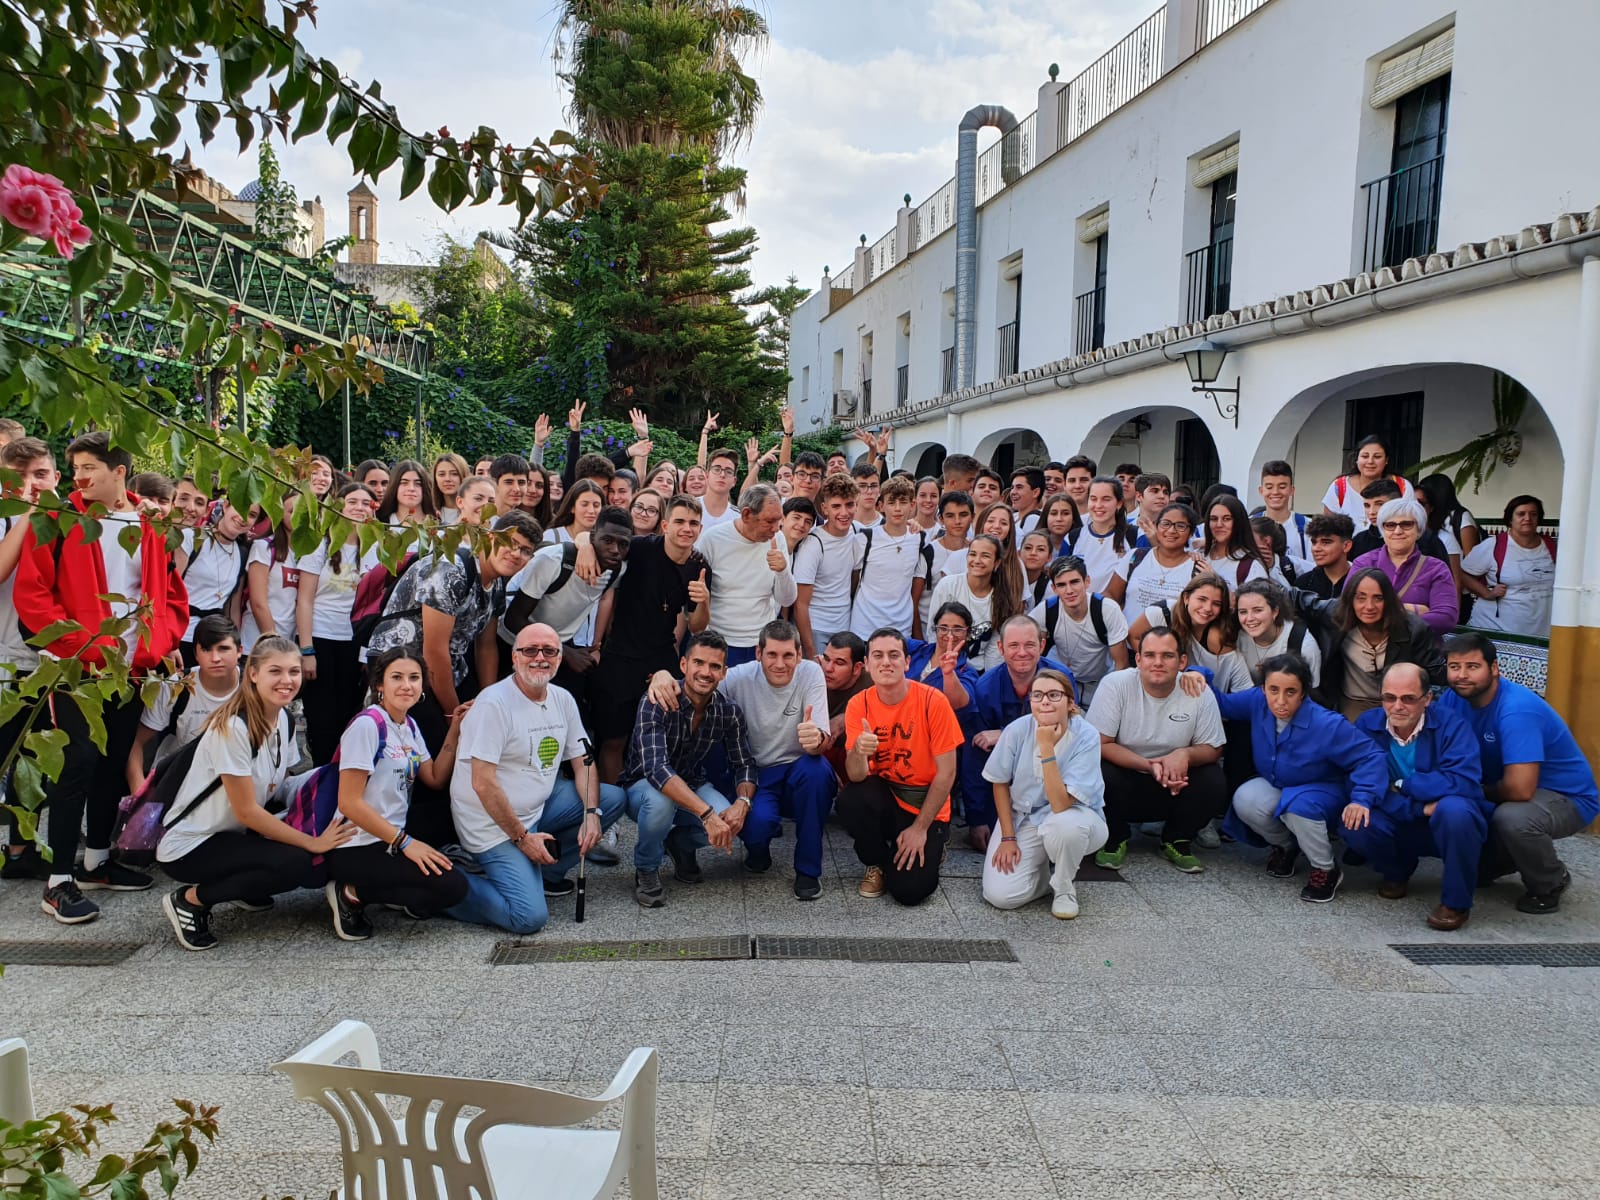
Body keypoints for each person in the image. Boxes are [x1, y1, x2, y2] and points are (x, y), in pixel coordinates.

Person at [16, 430, 190, 923]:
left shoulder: (149, 523)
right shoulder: (59, 517)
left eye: (88, 467)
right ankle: (59, 881)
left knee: (113, 760)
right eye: (75, 468)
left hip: (132, 668)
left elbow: (170, 594)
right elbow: (33, 594)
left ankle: (97, 860)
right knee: (77, 763)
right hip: (77, 667)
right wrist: (79, 648)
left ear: (119, 472)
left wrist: (155, 646)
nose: (78, 477)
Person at [158, 638, 355, 951]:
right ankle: (191, 900)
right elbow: (247, 811)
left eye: (293, 671)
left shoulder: (284, 719)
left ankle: (243, 884)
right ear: (252, 674)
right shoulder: (233, 728)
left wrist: (337, 776)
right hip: (191, 844)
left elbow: (280, 786)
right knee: (297, 863)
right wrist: (312, 842)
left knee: (296, 854)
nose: (286, 680)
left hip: (233, 834)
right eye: (275, 671)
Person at [446, 623, 626, 934]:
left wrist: (591, 814)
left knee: (611, 799)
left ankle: (547, 876)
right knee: (528, 917)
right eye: (530, 650)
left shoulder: (562, 698)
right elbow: (482, 783)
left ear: (559, 658)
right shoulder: (493, 704)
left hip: (538, 806)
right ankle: (440, 884)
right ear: (514, 657)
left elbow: (583, 761)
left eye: (549, 651)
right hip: (492, 824)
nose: (540, 658)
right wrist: (522, 839)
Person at [646, 620, 834, 899]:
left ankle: (808, 871)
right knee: (754, 827)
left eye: (788, 655)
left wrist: (816, 740)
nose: (780, 664)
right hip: (756, 771)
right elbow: (697, 684)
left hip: (798, 766)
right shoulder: (739, 677)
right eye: (772, 654)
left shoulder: (811, 673)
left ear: (799, 655)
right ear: (758, 654)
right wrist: (662, 675)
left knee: (818, 771)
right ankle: (756, 850)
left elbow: (821, 739)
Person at [1438, 633, 1598, 915]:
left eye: (1472, 666)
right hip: (1503, 788)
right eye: (1454, 667)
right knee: (1478, 868)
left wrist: (1472, 791)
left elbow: (1520, 789)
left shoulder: (1516, 710)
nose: (1462, 675)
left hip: (1566, 797)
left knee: (1513, 819)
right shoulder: (1452, 698)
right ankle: (1509, 857)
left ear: (1494, 668)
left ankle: (1550, 881)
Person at [1211, 655, 1386, 903]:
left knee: (1298, 807)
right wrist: (1198, 675)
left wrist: (1362, 798)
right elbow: (1222, 704)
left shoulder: (1327, 723)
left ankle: (1326, 868)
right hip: (1282, 783)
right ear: (1263, 689)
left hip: (1325, 791)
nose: (1280, 700)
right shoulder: (1257, 701)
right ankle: (1287, 846)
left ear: (1303, 692)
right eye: (1273, 690)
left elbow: (1370, 755)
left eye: (1291, 692)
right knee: (1245, 798)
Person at [324, 648, 471, 938]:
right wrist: (406, 843)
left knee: (451, 817)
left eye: (414, 678)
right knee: (452, 887)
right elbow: (349, 803)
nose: (407, 685)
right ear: (380, 684)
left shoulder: (408, 725)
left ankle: (397, 887)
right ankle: (350, 892)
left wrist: (455, 729)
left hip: (391, 835)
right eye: (397, 677)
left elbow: (434, 778)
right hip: (356, 843)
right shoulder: (367, 725)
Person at [1346, 662, 1488, 930]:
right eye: (1389, 697)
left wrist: (1402, 784)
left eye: (1408, 699)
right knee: (1355, 818)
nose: (1397, 706)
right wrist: (1417, 808)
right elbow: (1359, 781)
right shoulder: (1367, 724)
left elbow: (1464, 781)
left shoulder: (1452, 725)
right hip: (1406, 813)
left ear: (1427, 698)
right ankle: (1396, 873)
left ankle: (1455, 903)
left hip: (1444, 820)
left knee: (1456, 810)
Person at [620, 631, 757, 908]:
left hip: (693, 783)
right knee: (661, 803)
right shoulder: (656, 700)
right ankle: (646, 867)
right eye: (699, 663)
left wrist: (743, 802)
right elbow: (657, 770)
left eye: (714, 666)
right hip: (642, 788)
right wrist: (706, 815)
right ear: (683, 665)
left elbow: (744, 764)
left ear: (724, 673)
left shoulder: (728, 711)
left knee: (730, 820)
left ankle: (679, 845)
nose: (706, 672)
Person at [590, 495, 711, 786]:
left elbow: (697, 625)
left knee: (661, 739)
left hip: (661, 656)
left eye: (693, 523)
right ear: (665, 525)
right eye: (679, 521)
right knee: (614, 739)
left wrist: (704, 601)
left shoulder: (699, 566)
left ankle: (655, 800)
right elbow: (599, 544)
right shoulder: (640, 548)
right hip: (621, 654)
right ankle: (613, 805)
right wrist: (583, 544)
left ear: (700, 528)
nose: (686, 528)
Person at [1088, 627, 1228, 874]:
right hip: (1126, 778)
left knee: (1213, 779)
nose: (1158, 663)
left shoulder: (1198, 690)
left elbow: (1214, 748)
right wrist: (1149, 766)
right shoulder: (1115, 685)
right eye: (1150, 655)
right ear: (1138, 659)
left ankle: (1176, 838)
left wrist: (1184, 755)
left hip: (1176, 782)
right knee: (1097, 770)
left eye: (1167, 656)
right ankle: (1114, 837)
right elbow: (1101, 742)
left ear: (1182, 662)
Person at [839, 628, 964, 905]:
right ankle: (876, 863)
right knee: (850, 799)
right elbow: (856, 775)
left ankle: (933, 843)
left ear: (907, 662)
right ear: (867, 664)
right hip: (886, 796)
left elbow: (947, 773)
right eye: (878, 656)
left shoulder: (933, 701)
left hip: (924, 803)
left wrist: (920, 829)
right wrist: (859, 751)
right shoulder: (859, 704)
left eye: (894, 655)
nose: (886, 662)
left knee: (910, 892)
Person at [981, 668, 1107, 918]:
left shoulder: (1086, 735)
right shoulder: (1017, 729)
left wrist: (1046, 747)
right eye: (1037, 695)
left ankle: (1064, 887)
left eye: (1054, 695)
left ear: (1070, 703)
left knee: (1064, 827)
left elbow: (1060, 804)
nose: (1045, 701)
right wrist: (1008, 837)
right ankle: (1042, 878)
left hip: (1075, 817)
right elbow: (1000, 782)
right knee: (1001, 896)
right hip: (1025, 816)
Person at [960, 616, 1073, 852]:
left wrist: (1005, 734)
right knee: (994, 841)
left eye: (1029, 644)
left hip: (1050, 773)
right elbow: (975, 759)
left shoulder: (1061, 679)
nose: (1022, 652)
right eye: (1013, 645)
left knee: (1062, 837)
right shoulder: (985, 688)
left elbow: (1066, 734)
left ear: (1042, 645)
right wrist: (976, 819)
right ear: (1000, 648)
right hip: (1007, 781)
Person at [0, 436, 59, 880]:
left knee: (33, 761)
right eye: (20, 476)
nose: (31, 484)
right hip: (4, 658)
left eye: (40, 474)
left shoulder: (66, 522)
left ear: (56, 476)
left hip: (45, 661)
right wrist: (27, 515)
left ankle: (20, 849)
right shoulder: (8, 519)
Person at [295, 481, 383, 765]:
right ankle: (320, 775)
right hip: (321, 637)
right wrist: (307, 650)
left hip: (355, 642)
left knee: (349, 714)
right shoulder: (319, 544)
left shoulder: (377, 548)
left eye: (366, 503)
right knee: (322, 718)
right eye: (352, 502)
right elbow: (304, 600)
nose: (359, 508)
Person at [128, 614, 242, 791]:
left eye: (223, 649)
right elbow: (136, 744)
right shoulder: (176, 685)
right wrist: (140, 796)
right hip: (175, 784)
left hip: (234, 786)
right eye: (206, 649)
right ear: (195, 654)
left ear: (240, 651)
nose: (215, 658)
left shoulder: (254, 688)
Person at [1318, 566, 1445, 720]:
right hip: (1354, 702)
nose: (1369, 606)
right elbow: (1299, 598)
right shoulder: (1336, 616)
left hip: (1400, 703)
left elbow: (1436, 671)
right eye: (1361, 598)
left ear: (1388, 600)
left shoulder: (1413, 629)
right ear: (1350, 600)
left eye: (1378, 598)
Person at [696, 484, 796, 666]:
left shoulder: (777, 539)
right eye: (769, 521)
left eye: (779, 520)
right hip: (720, 642)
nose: (776, 528)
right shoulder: (713, 539)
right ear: (746, 515)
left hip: (762, 642)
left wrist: (783, 571)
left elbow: (787, 600)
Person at [1127, 573, 1251, 694]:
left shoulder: (1216, 636)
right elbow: (1134, 636)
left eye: (1216, 604)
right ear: (1186, 597)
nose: (1208, 608)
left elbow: (1243, 685)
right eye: (1202, 599)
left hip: (1204, 696)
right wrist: (1160, 665)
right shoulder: (1163, 613)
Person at [1030, 555, 1129, 704]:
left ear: (1087, 581)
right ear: (1054, 589)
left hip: (1100, 682)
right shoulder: (1047, 609)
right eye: (1061, 585)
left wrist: (1113, 697)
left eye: (1074, 582)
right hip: (1061, 680)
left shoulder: (1107, 609)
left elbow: (1121, 665)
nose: (1069, 590)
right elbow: (1031, 651)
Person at [1351, 497, 1458, 633]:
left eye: (1406, 524)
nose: (1397, 531)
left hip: (1418, 646)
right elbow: (1348, 609)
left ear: (1419, 529)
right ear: (1382, 530)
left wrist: (1379, 616)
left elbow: (1446, 619)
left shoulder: (1436, 568)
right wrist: (1414, 610)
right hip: (1370, 645)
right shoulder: (1363, 563)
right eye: (1390, 525)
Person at [848, 475, 930, 640]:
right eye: (891, 503)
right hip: (864, 627)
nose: (897, 508)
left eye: (903, 502)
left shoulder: (920, 539)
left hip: (901, 628)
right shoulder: (865, 538)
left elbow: (916, 585)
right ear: (881, 506)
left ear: (912, 505)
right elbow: (853, 579)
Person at [1460, 494, 1555, 636]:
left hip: (1541, 631)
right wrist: (1486, 593)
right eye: (1521, 514)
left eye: (1533, 514)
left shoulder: (1550, 546)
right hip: (1497, 630)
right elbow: (1462, 573)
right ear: (1510, 519)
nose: (1527, 518)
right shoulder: (1494, 545)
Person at [177, 500, 254, 666]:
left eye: (252, 515)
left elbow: (232, 608)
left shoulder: (242, 553)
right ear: (226, 506)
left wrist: (234, 646)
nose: (243, 517)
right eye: (240, 508)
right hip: (180, 634)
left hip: (213, 642)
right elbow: (169, 590)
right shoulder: (192, 537)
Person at [792, 473, 857, 659]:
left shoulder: (857, 532)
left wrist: (913, 524)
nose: (844, 513)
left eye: (849, 505)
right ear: (824, 509)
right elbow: (800, 604)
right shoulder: (813, 544)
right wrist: (810, 650)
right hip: (816, 629)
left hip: (845, 628)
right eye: (836, 506)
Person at [928, 533, 1016, 671]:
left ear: (997, 563)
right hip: (944, 664)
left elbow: (995, 647)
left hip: (977, 669)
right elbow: (933, 632)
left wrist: (988, 677)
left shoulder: (1002, 596)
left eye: (985, 556)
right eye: (973, 554)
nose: (977, 560)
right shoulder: (947, 586)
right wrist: (939, 668)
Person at [1106, 502, 1200, 625]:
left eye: (1180, 526)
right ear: (1156, 526)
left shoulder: (1197, 567)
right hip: (1127, 636)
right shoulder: (1135, 557)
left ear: (1191, 532)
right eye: (1165, 524)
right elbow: (1111, 594)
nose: (1171, 530)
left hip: (1172, 637)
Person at [240, 492, 300, 650]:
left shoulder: (310, 554)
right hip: (257, 643)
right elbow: (258, 602)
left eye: (303, 512)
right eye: (292, 511)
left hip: (290, 643)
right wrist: (274, 641)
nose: (298, 516)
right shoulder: (264, 547)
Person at [1233, 579, 1321, 686]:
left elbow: (1310, 692)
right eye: (1243, 612)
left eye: (1258, 610)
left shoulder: (1303, 645)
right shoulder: (1236, 637)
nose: (1249, 618)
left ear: (1275, 611)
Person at [1322, 435, 1413, 530]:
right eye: (1365, 456)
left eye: (1377, 457)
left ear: (1386, 460)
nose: (1370, 461)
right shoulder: (1339, 487)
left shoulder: (1402, 486)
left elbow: (1410, 524)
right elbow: (1328, 529)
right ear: (1357, 459)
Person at [1076, 477, 1136, 591]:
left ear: (1119, 503)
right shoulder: (1073, 537)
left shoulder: (1134, 536)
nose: (1098, 505)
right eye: (1093, 499)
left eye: (1106, 499)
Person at [1201, 494, 1267, 587]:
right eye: (1214, 519)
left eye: (1227, 519)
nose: (1219, 524)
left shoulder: (1251, 566)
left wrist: (1214, 581)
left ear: (1239, 521)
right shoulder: (1199, 556)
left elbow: (1257, 596)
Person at [1253, 460, 1311, 560]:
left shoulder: (1307, 526)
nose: (1275, 492)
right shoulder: (1248, 526)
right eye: (1269, 487)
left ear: (1292, 490)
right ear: (1261, 490)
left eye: (1282, 487)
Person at [1299, 514, 1355, 600]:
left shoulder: (1362, 582)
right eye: (1314, 543)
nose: (1316, 549)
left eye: (1326, 542)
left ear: (1346, 546)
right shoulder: (1303, 584)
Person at [376, 459, 438, 528]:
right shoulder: (380, 525)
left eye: (418, 484)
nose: (411, 488)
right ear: (394, 486)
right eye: (404, 483)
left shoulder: (439, 527)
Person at [699, 446, 741, 529]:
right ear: (707, 476)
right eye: (717, 469)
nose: (722, 475)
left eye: (728, 472)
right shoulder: (689, 507)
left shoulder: (738, 517)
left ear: (734, 481)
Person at [431, 452, 470, 523]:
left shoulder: (475, 512)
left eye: (454, 474)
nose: (447, 479)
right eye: (442, 474)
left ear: (464, 476)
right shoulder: (429, 513)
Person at [1039, 493, 1081, 559]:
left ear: (1073, 518)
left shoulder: (1084, 544)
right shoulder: (1033, 544)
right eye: (1053, 513)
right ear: (1046, 517)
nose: (1059, 519)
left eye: (1065, 513)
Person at [488, 454, 529, 518]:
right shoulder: (479, 519)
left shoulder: (524, 521)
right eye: (509, 482)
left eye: (521, 483)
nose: (517, 489)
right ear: (494, 483)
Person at [1009, 466, 1045, 532]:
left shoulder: (1034, 520)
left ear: (1035, 492)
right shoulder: (1011, 517)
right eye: (1012, 487)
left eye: (1019, 487)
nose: (1013, 492)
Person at [850, 461, 882, 529]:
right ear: (852, 489)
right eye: (862, 486)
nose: (869, 491)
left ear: (879, 490)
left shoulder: (889, 527)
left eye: (874, 486)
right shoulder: (840, 525)